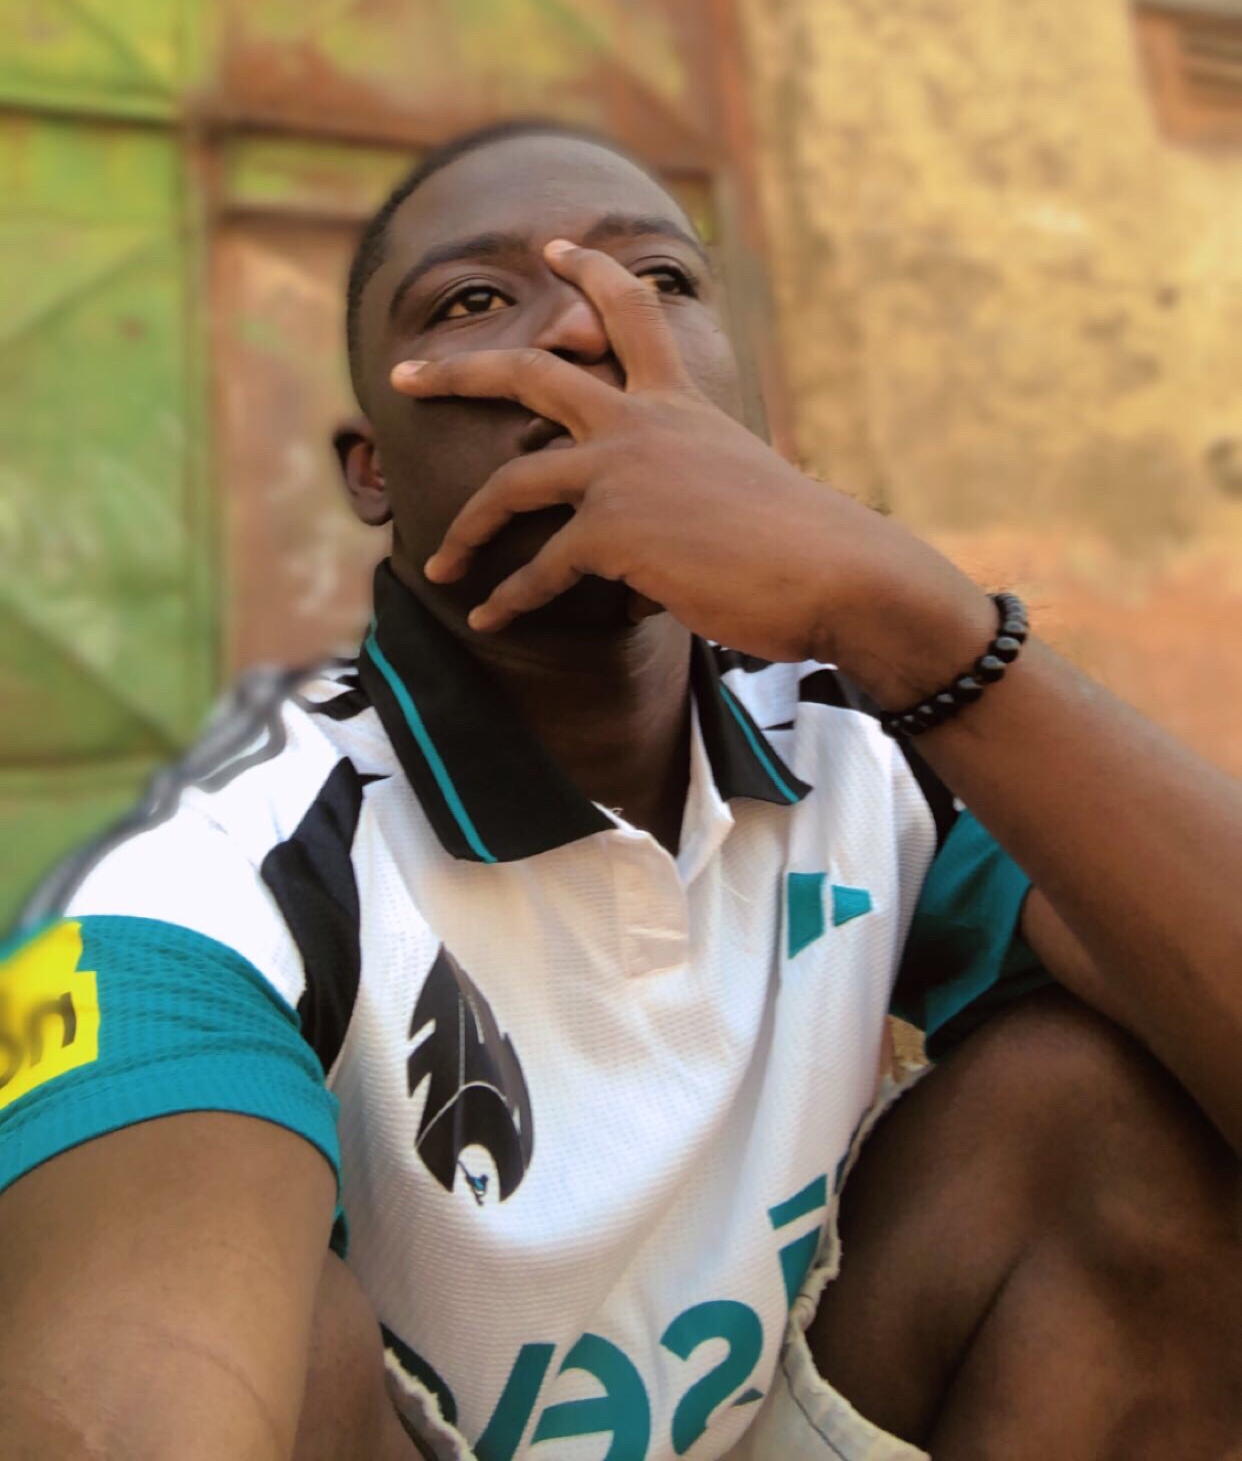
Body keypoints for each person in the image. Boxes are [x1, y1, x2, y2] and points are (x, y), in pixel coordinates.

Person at [1, 119, 1238, 1461]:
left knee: (1106, 1106)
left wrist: (915, 620)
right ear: (374, 469)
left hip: (789, 1419)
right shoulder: (221, 874)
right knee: (293, 1337)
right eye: (474, 301)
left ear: (744, 420)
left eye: (658, 280)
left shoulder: (876, 745)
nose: (591, 329)